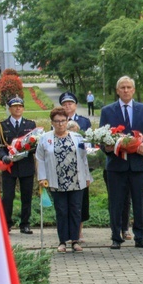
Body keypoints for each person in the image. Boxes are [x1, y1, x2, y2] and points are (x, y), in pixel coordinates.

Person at [99, 76, 143, 249]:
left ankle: (140, 236)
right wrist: (106, 148)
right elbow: (102, 136)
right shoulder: (107, 111)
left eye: (128, 87)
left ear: (133, 90)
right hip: (116, 164)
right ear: (117, 90)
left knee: (139, 201)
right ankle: (116, 236)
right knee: (115, 202)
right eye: (122, 87)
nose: (125, 90)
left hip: (138, 164)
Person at [36, 106, 92, 253]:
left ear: (67, 121)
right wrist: (42, 177)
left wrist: (87, 176)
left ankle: (75, 240)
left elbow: (84, 158)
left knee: (75, 210)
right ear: (52, 122)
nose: (60, 124)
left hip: (76, 179)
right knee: (61, 210)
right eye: (57, 121)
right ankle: (62, 241)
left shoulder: (77, 137)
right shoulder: (45, 139)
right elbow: (40, 159)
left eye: (63, 120)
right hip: (57, 180)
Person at [0, 95, 37, 234]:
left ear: (23, 108)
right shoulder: (2, 125)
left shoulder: (30, 125)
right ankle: (7, 224)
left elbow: (35, 144)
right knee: (8, 197)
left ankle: (25, 224)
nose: (18, 108)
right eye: (15, 106)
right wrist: (3, 156)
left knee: (26, 196)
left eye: (20, 106)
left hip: (26, 165)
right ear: (10, 108)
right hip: (9, 166)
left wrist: (28, 150)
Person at [60, 92, 93, 240]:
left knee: (80, 202)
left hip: (80, 168)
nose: (68, 106)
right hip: (62, 168)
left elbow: (91, 143)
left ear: (75, 105)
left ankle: (78, 232)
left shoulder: (84, 122)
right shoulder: (57, 121)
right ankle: (65, 233)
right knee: (64, 203)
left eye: (70, 103)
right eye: (65, 104)